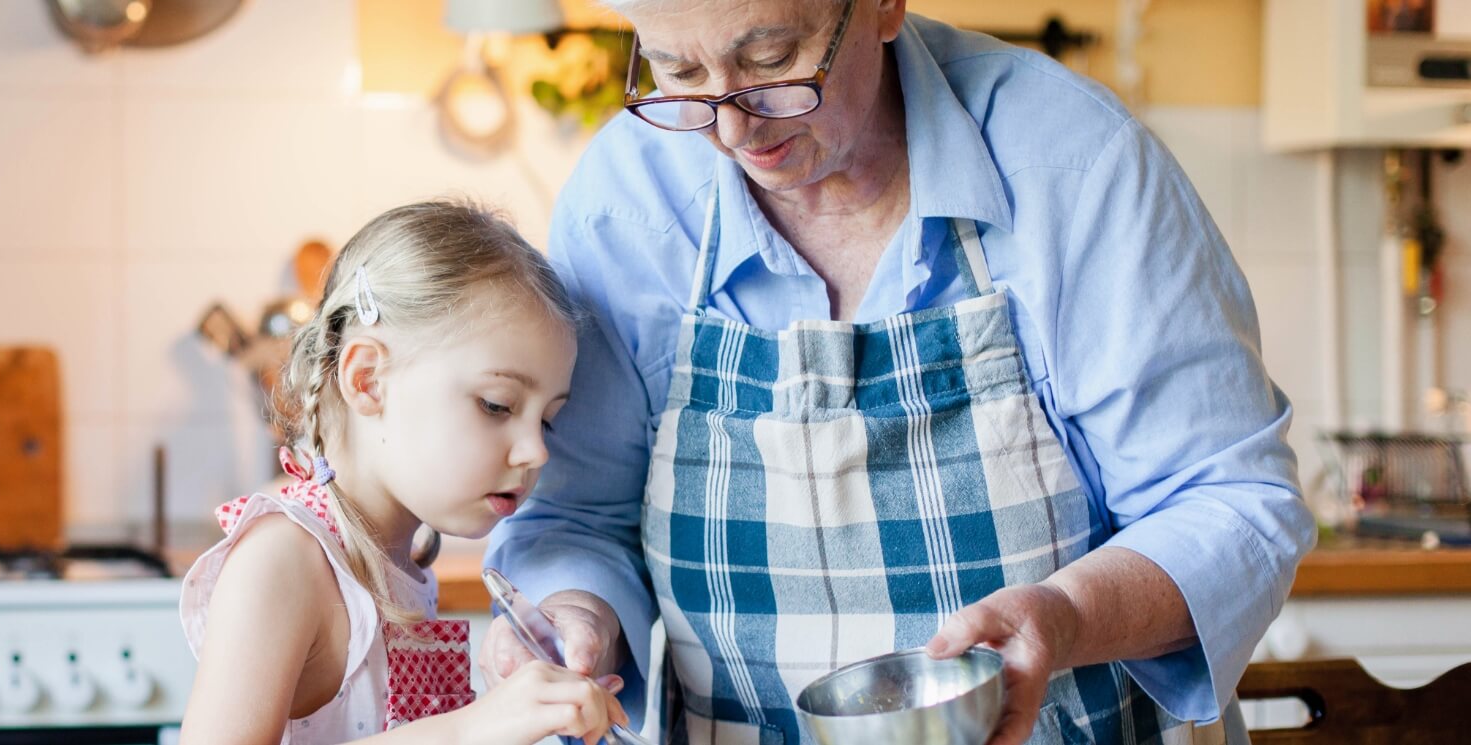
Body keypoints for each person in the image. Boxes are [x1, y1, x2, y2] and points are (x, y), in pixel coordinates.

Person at [483, 1, 1316, 743]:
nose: (732, 129)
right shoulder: (628, 198)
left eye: (770, 59)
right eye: (678, 70)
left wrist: (1063, 618)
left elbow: (1233, 505)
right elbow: (576, 519)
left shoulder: (1074, 163)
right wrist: (574, 617)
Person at [179, 200, 629, 744]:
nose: (535, 451)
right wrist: (470, 730)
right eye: (496, 405)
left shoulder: (402, 561)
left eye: (549, 422)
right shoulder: (284, 558)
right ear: (368, 379)